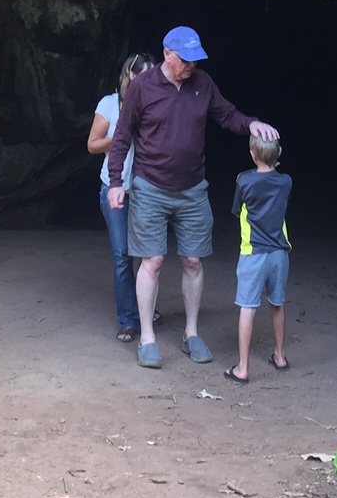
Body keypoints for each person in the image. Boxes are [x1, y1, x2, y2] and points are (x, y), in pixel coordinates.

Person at [107, 26, 279, 370]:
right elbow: (122, 136)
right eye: (186, 60)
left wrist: (252, 125)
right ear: (168, 54)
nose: (192, 66)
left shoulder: (203, 84)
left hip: (193, 189)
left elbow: (227, 115)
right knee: (152, 261)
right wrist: (115, 181)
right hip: (150, 186)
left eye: (196, 60)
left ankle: (191, 333)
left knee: (193, 261)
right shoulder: (141, 87)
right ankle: (147, 338)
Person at [87, 52, 155, 342]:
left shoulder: (154, 104)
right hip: (115, 188)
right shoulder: (110, 104)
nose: (151, 80)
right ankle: (129, 319)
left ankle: (145, 310)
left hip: (146, 189)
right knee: (122, 254)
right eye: (145, 74)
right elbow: (92, 145)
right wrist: (120, 136)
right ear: (130, 75)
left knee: (149, 254)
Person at [225, 134, 292, 384]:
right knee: (277, 303)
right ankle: (280, 356)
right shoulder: (286, 181)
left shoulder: (244, 181)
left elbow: (236, 210)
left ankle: (243, 368)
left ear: (253, 155)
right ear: (280, 153)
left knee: (247, 307)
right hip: (279, 253)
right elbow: (273, 176)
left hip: (253, 253)